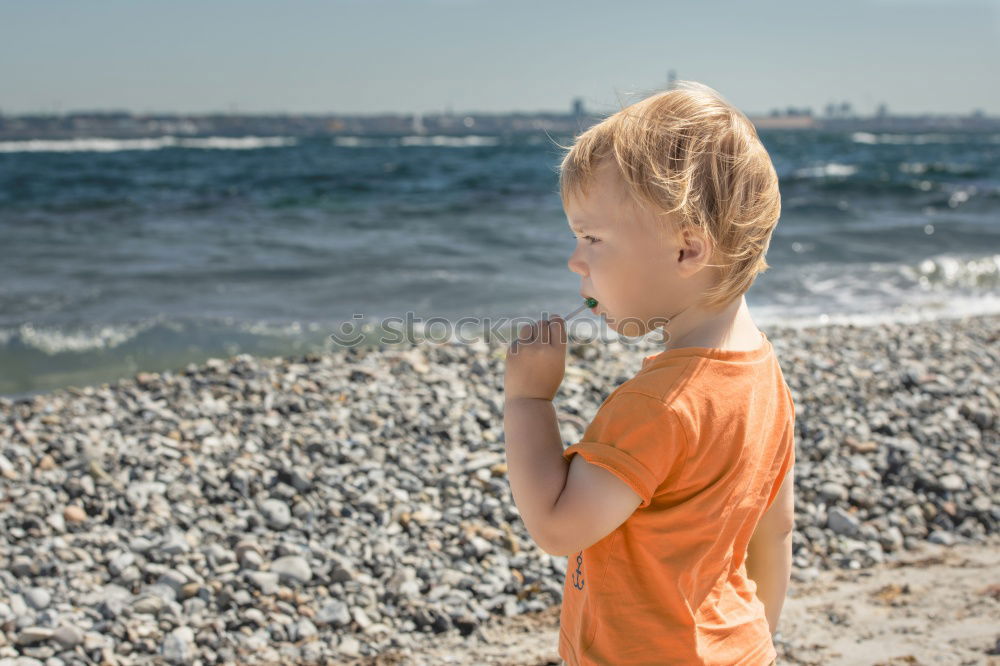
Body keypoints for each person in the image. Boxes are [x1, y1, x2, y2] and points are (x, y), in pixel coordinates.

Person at [503, 80, 794, 665]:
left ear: (688, 250)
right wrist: (752, 640)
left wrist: (528, 401)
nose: (574, 259)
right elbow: (775, 529)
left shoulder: (657, 405)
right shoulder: (763, 374)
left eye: (592, 237)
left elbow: (559, 527)